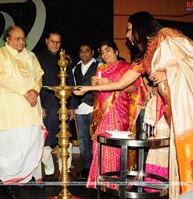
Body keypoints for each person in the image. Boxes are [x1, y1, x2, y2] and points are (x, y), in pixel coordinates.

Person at [74, 11, 193, 198]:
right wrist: (87, 88)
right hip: (173, 111)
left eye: (129, 29)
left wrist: (168, 73)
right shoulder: (145, 57)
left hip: (191, 110)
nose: (127, 35)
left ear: (140, 27)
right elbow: (121, 84)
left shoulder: (167, 36)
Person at [0, 26, 46, 199]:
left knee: (30, 144)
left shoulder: (31, 56)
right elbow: (3, 78)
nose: (21, 42)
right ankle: (8, 182)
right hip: (10, 110)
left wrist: (35, 91)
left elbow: (39, 75)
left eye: (23, 38)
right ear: (7, 39)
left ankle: (26, 177)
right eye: (17, 38)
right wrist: (26, 91)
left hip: (30, 109)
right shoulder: (0, 55)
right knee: (11, 147)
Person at [85, 40, 147, 188]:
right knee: (99, 146)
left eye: (108, 50)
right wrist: (95, 86)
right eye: (102, 52)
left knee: (115, 148)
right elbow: (99, 94)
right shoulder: (101, 69)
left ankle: (114, 184)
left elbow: (133, 89)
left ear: (117, 52)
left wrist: (110, 81)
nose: (105, 55)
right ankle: (101, 182)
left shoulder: (127, 68)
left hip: (119, 113)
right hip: (102, 114)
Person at [36, 29, 77, 179]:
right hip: (46, 106)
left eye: (58, 41)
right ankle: (50, 171)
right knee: (45, 141)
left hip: (64, 106)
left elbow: (71, 83)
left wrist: (72, 106)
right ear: (46, 41)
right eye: (52, 41)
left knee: (67, 138)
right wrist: (39, 106)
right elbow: (35, 84)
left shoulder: (64, 59)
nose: (55, 44)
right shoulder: (38, 58)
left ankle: (64, 169)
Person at [72, 42, 100, 179]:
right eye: (81, 51)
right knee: (82, 141)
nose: (84, 53)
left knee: (94, 139)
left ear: (92, 52)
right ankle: (87, 168)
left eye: (87, 51)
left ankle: (97, 168)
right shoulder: (74, 68)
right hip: (79, 109)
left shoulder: (99, 66)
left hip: (93, 108)